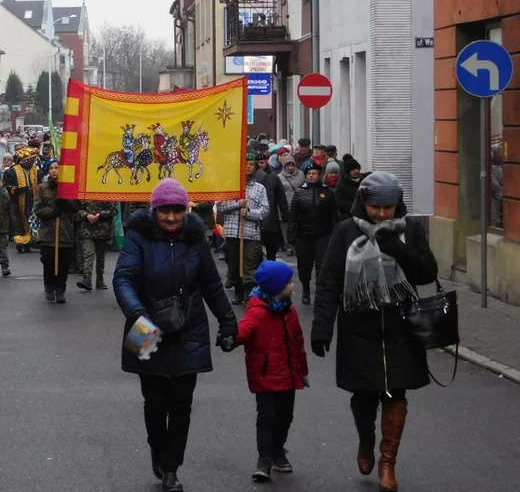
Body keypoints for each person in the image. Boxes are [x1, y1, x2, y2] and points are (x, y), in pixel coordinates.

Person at [311, 172, 438, 492]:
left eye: (388, 207)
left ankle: (387, 462)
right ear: (363, 203)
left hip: (401, 326)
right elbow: (329, 282)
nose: (382, 214)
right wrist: (322, 328)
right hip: (359, 328)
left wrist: (399, 249)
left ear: (398, 204)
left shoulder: (409, 229)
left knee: (396, 393)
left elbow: (427, 273)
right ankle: (366, 440)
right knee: (364, 395)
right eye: (376, 207)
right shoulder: (346, 231)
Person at [113, 178, 239, 492]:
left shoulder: (195, 239)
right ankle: (158, 447)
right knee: (154, 402)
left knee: (181, 404)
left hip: (189, 329)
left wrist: (227, 322)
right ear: (155, 210)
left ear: (186, 210)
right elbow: (124, 278)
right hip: (145, 327)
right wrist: (137, 313)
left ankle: (171, 468)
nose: (171, 217)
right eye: (165, 211)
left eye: (177, 211)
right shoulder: (137, 237)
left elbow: (211, 284)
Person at [235, 261, 308, 482]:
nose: (293, 286)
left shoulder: (290, 311)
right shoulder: (257, 310)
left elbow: (297, 343)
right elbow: (243, 330)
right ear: (277, 286)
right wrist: (231, 337)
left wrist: (302, 371)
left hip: (288, 376)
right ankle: (264, 458)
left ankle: (278, 449)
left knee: (285, 417)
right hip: (265, 376)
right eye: (289, 283)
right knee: (266, 418)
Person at [219, 154, 270, 304]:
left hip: (251, 233)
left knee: (250, 264)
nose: (248, 167)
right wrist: (237, 204)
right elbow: (221, 205)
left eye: (251, 165)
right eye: (245, 164)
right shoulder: (229, 185)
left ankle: (250, 293)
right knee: (233, 263)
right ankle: (238, 292)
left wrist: (248, 213)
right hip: (232, 233)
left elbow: (265, 210)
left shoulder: (259, 188)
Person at [287, 162, 338, 305]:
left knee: (322, 266)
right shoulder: (299, 192)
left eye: (314, 173)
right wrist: (291, 236)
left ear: (320, 175)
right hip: (304, 235)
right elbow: (293, 217)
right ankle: (306, 290)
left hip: (323, 234)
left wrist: (336, 234)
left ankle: (321, 292)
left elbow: (334, 215)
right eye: (309, 174)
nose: (311, 176)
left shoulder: (328, 192)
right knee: (304, 265)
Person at [33, 159, 79, 303]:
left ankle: (60, 289)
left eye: (57, 168)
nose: (54, 170)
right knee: (48, 261)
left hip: (65, 232)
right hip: (48, 233)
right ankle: (49, 286)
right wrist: (53, 212)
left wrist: (65, 202)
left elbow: (77, 206)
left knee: (63, 263)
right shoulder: (42, 188)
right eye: (51, 168)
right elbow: (38, 208)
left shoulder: (69, 188)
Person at [254, 152, 289, 262]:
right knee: (255, 250)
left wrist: (285, 214)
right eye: (258, 162)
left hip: (271, 218)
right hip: (255, 217)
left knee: (271, 249)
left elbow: (281, 197)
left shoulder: (274, 177)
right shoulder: (251, 177)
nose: (261, 165)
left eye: (263, 162)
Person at [4, 147, 39, 255]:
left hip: (32, 201)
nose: (33, 162)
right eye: (31, 160)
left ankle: (29, 243)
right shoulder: (11, 172)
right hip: (17, 202)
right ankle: (20, 243)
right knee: (19, 222)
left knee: (31, 221)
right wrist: (19, 189)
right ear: (25, 161)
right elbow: (7, 187)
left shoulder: (35, 171)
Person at [77, 200, 115, 291]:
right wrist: (86, 215)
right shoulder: (85, 193)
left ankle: (100, 279)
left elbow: (114, 210)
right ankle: (87, 279)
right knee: (88, 253)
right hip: (87, 230)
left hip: (103, 230)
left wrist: (101, 214)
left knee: (100, 257)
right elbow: (79, 209)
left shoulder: (108, 194)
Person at [335, 155, 365, 221]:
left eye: (358, 169)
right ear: (348, 172)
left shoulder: (365, 181)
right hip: (348, 218)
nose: (357, 171)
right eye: (353, 169)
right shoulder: (342, 184)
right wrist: (355, 205)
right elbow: (338, 202)